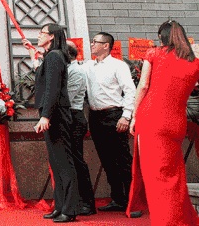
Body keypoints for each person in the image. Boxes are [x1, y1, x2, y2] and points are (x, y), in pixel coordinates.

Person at [127, 20, 199, 225]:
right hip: (177, 122)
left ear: (162, 37)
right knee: (174, 175)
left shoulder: (154, 54)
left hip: (152, 120)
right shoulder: (195, 63)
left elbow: (143, 86)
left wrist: (134, 116)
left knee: (157, 179)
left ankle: (165, 222)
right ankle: (185, 220)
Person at [24, 24, 79, 223]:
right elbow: (43, 77)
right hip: (52, 112)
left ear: (52, 36)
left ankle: (70, 209)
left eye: (42, 33)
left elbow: (53, 89)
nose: (39, 36)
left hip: (56, 114)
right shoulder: (52, 56)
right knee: (56, 163)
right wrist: (33, 56)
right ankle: (60, 206)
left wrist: (46, 116)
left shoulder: (55, 56)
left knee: (63, 162)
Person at [82, 31, 138, 215]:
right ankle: (118, 199)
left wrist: (126, 116)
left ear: (106, 46)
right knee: (107, 160)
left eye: (95, 42)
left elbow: (130, 91)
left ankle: (133, 203)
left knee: (123, 160)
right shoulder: (88, 66)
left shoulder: (118, 65)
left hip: (115, 115)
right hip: (95, 117)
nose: (92, 44)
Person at [64, 41, 96, 216]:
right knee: (69, 161)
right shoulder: (66, 69)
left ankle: (87, 202)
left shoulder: (76, 71)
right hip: (67, 118)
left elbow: (67, 99)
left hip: (74, 118)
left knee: (77, 161)